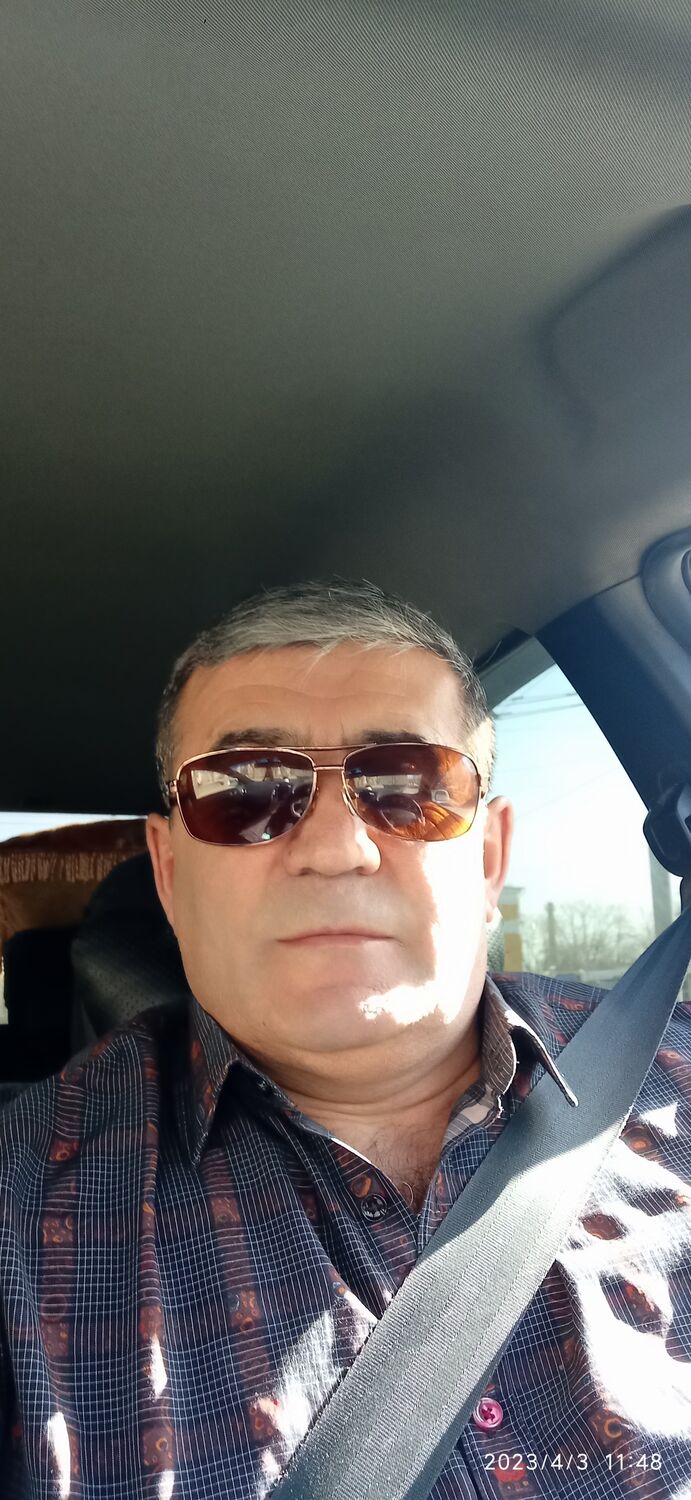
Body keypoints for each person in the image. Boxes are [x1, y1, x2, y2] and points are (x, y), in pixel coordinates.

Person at [1, 576, 689, 1498]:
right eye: (244, 791)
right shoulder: (19, 1212)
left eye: (408, 786)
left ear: (488, 860)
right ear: (167, 876)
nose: (336, 849)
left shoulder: (677, 1083)